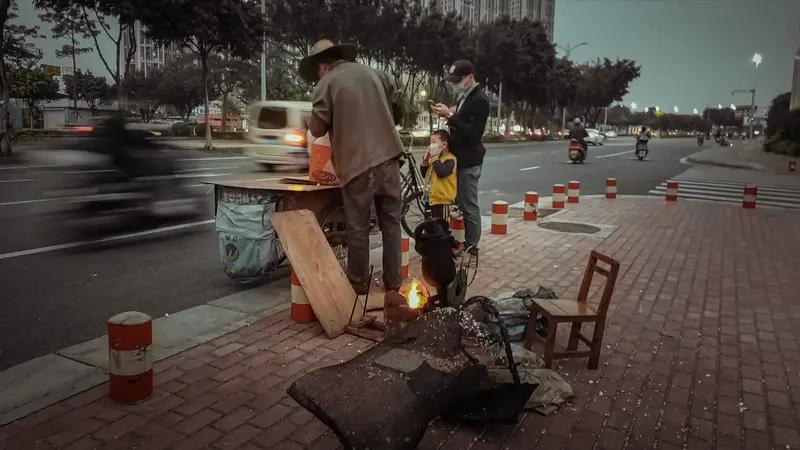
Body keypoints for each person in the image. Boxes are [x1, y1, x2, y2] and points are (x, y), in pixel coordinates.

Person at [301, 39, 405, 294]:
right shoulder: (375, 73)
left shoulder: (327, 83)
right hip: (390, 160)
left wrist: (308, 118)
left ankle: (358, 284)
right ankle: (393, 283)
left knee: (358, 227)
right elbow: (399, 102)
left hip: (357, 166)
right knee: (391, 225)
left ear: (322, 66)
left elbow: (317, 128)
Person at [430, 60, 489, 255]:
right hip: (459, 158)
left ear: (470, 77)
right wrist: (449, 113)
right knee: (458, 203)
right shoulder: (465, 95)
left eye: (458, 80)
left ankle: (472, 246)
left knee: (468, 204)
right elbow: (462, 120)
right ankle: (460, 241)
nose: (455, 84)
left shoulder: (480, 100)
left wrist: (450, 116)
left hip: (469, 161)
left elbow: (473, 133)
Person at [420, 130, 457, 227]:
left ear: (444, 145)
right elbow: (424, 174)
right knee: (430, 228)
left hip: (442, 202)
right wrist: (425, 159)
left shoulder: (450, 159)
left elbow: (442, 173)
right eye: (430, 143)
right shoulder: (435, 159)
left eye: (433, 143)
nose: (430, 145)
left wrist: (434, 157)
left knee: (441, 228)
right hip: (430, 199)